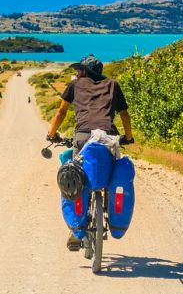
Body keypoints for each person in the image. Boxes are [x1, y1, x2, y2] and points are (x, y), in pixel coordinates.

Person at [46, 54, 134, 251]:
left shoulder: (75, 85)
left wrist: (52, 134)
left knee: (77, 177)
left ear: (84, 71)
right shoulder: (113, 85)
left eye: (79, 70)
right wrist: (128, 137)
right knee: (110, 174)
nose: (77, 73)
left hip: (83, 137)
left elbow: (61, 112)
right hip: (108, 137)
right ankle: (109, 210)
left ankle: (76, 229)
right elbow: (124, 114)